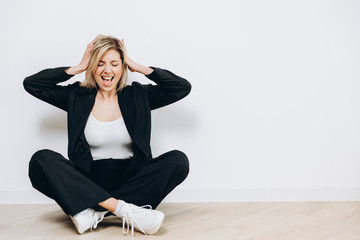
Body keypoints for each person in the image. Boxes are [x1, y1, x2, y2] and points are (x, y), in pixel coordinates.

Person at [23, 35, 191, 236]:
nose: (107, 70)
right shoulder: (77, 96)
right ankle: (122, 209)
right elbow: (32, 84)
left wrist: (137, 66)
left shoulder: (138, 96)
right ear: (92, 67)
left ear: (123, 67)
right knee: (40, 160)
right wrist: (77, 67)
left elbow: (182, 87)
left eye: (114, 63)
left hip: (133, 179)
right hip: (89, 179)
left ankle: (93, 210)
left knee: (179, 160)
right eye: (100, 63)